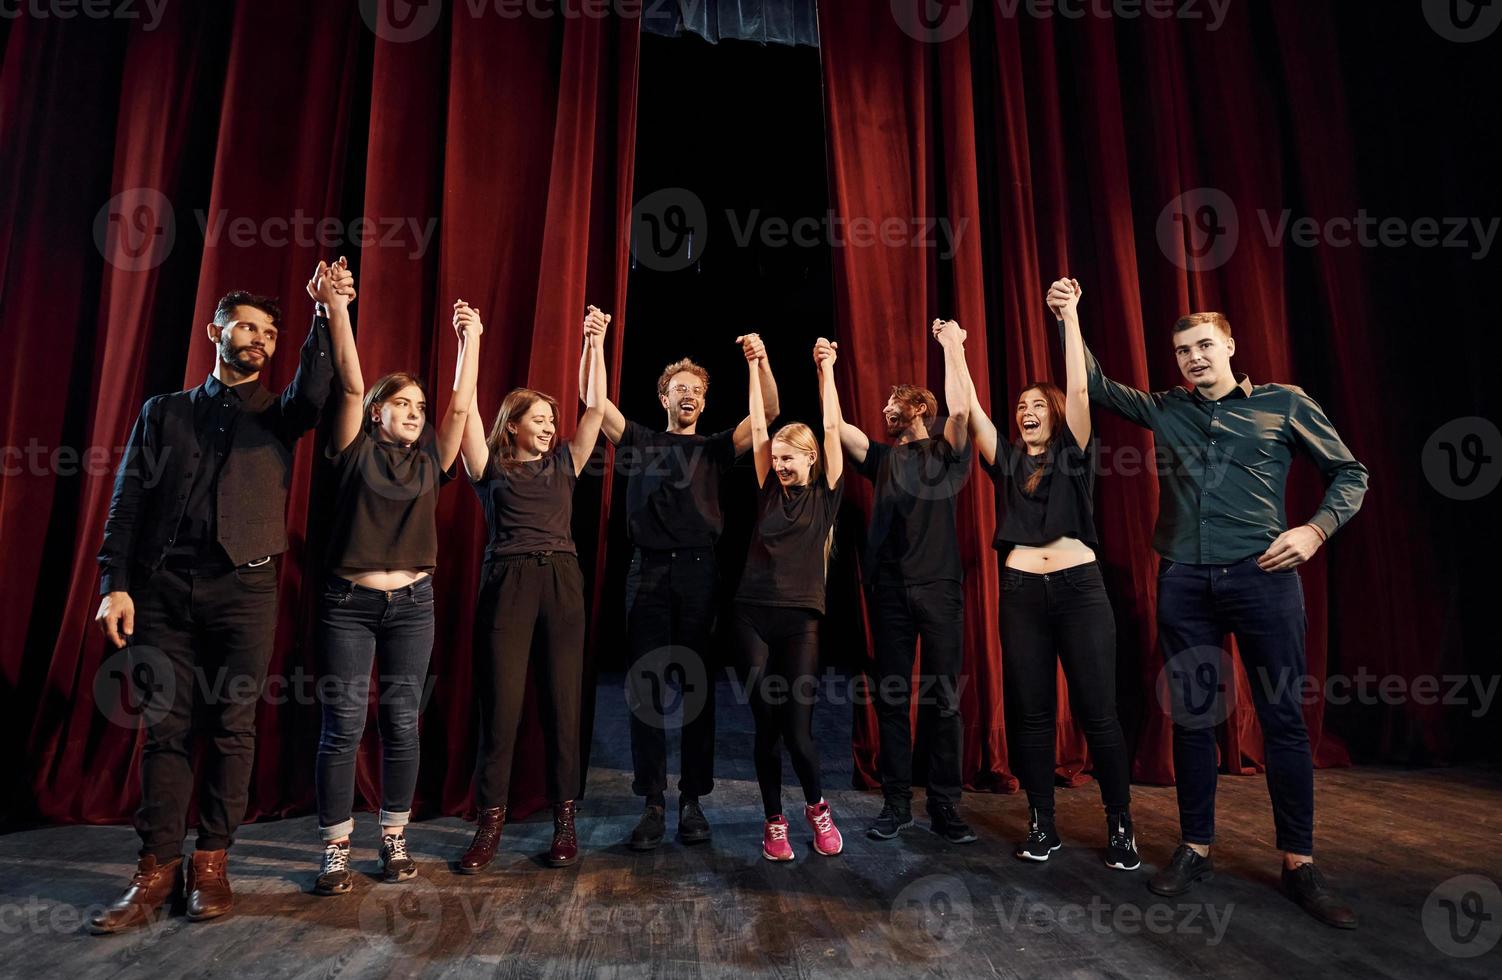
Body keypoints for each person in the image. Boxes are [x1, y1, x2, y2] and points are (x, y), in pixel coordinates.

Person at [1057, 277, 1369, 927]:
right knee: (1193, 718)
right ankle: (1195, 847)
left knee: (1283, 720)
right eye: (1182, 351)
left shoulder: (1284, 404)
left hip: (1264, 577)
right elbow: (1098, 387)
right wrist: (1070, 315)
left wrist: (1315, 530)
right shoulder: (1168, 408)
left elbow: (1350, 472)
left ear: (1229, 346)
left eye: (1204, 345)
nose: (1194, 357)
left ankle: (1298, 861)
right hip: (1185, 583)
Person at [90, 263, 342, 933]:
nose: (256, 338)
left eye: (267, 332)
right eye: (245, 327)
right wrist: (114, 585)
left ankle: (212, 861)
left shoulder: (279, 414)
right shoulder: (163, 411)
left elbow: (316, 396)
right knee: (165, 731)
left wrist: (321, 314)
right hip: (162, 589)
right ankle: (155, 869)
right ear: (215, 332)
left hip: (247, 588)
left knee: (233, 727)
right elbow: (128, 503)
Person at [939, 293, 1138, 870]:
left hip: (1079, 590)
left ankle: (1120, 824)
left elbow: (1080, 390)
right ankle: (1041, 822)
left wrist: (1070, 317)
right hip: (1022, 595)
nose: (1026, 411)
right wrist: (955, 349)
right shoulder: (1005, 459)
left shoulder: (1074, 455)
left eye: (1036, 406)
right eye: (1021, 405)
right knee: (1030, 714)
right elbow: (969, 408)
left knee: (1099, 711)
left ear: (1053, 414)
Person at [310, 266, 482, 895]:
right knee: (345, 725)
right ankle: (335, 848)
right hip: (348, 604)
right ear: (379, 413)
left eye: (419, 406)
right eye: (403, 405)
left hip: (413, 604)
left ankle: (393, 837)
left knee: (403, 722)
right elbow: (352, 384)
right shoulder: (354, 446)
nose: (414, 412)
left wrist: (472, 339)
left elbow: (462, 405)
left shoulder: (432, 461)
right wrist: (336, 308)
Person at [586, 322, 779, 850]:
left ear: (704, 400)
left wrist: (757, 362)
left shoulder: (717, 448)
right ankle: (652, 801)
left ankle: (692, 800)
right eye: (680, 388)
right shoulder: (642, 440)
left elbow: (768, 414)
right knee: (646, 692)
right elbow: (595, 404)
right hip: (646, 572)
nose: (689, 394)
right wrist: (595, 342)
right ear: (664, 396)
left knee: (695, 691)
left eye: (697, 389)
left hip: (700, 574)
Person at [458, 305, 608, 871]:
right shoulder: (489, 468)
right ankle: (488, 825)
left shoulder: (566, 462)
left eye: (551, 418)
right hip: (508, 582)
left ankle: (564, 822)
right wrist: (470, 339)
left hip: (562, 582)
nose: (550, 426)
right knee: (501, 707)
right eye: (539, 418)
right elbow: (463, 408)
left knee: (563, 704)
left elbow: (594, 406)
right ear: (513, 424)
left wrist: (592, 341)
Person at [818, 325, 976, 845]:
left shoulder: (944, 453)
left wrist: (953, 347)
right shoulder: (884, 461)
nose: (885, 410)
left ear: (917, 409)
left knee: (945, 700)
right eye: (885, 403)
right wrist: (827, 368)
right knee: (891, 698)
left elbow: (960, 413)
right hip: (888, 593)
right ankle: (896, 804)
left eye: (894, 404)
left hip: (940, 589)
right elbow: (837, 425)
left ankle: (945, 806)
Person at [733, 334, 846, 861]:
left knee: (798, 730)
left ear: (809, 458)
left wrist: (826, 369)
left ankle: (817, 807)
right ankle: (773, 820)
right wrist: (758, 362)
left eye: (788, 458)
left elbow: (829, 427)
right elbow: (758, 425)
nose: (779, 464)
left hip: (801, 620)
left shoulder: (826, 494)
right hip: (751, 616)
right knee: (766, 726)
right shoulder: (767, 488)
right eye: (775, 457)